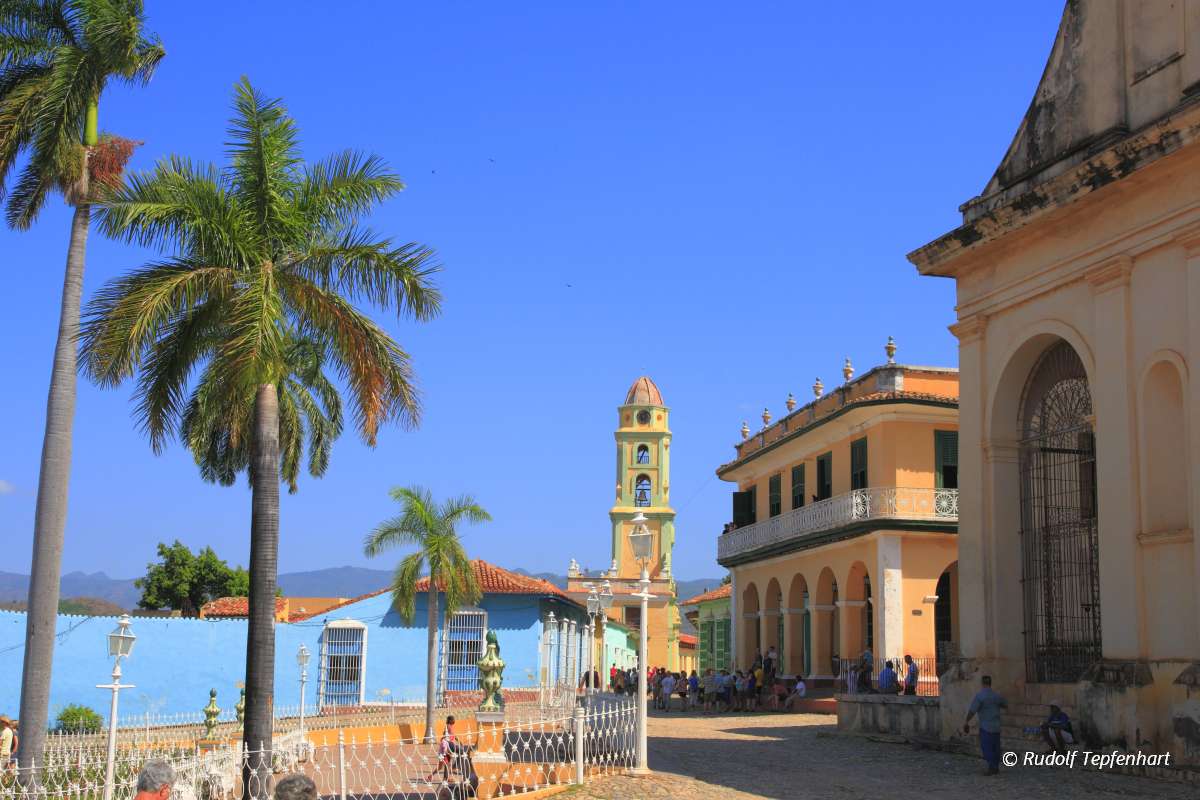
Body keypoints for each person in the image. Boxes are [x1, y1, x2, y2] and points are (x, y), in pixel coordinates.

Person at [963, 675, 1008, 776]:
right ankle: (995, 766)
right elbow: (1005, 704)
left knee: (986, 747)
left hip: (986, 726)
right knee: (996, 747)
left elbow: (972, 710)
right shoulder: (996, 695)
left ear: (982, 683)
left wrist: (966, 721)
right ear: (990, 683)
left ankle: (992, 767)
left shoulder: (980, 696)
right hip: (996, 726)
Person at [436, 715, 478, 798]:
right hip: (449, 745)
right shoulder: (448, 727)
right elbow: (446, 736)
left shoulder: (450, 727)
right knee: (461, 753)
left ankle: (447, 776)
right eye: (453, 720)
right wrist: (445, 741)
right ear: (451, 720)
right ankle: (454, 768)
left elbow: (453, 736)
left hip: (450, 744)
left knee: (448, 762)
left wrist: (458, 741)